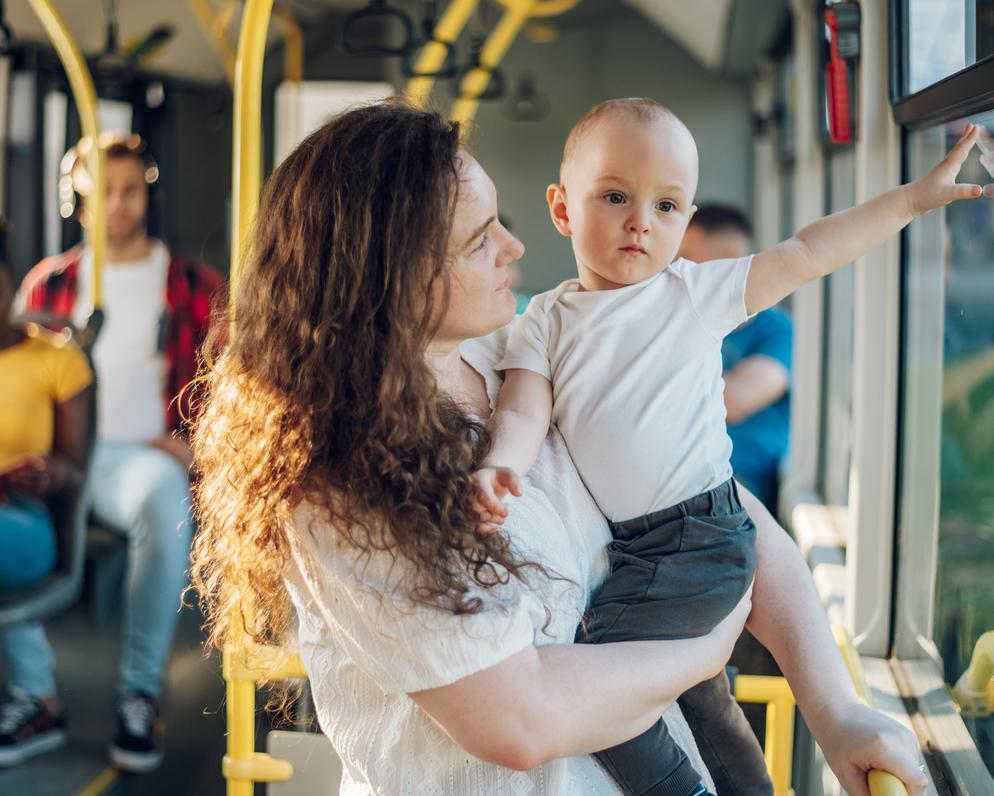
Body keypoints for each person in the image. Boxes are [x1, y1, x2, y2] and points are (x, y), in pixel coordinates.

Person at [190, 100, 929, 796]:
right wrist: (706, 652)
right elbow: (518, 718)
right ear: (392, 276)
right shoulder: (344, 481)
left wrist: (835, 711)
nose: (515, 245)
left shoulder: (512, 355)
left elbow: (725, 510)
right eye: (481, 240)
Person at [475, 98, 981, 795]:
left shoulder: (692, 294)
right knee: (698, 691)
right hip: (642, 545)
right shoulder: (546, 319)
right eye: (615, 197)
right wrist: (502, 466)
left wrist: (910, 202)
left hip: (702, 531)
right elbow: (524, 407)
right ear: (563, 210)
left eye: (666, 206)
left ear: (683, 224)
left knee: (595, 668)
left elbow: (808, 252)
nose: (639, 222)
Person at [15, 132, 223, 772]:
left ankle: (139, 692)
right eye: (103, 192)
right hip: (53, 451)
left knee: (162, 492)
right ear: (77, 201)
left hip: (135, 457)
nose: (119, 205)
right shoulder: (48, 287)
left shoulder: (191, 282)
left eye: (131, 190)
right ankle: (34, 693)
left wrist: (195, 441)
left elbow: (234, 381)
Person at [0, 219, 93, 765]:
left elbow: (76, 473)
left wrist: (55, 473)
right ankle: (37, 695)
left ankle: (39, 699)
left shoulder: (55, 359)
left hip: (28, 521)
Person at [679, 205, 791, 514]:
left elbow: (735, 400)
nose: (675, 273)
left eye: (686, 260)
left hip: (739, 490)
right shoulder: (682, 320)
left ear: (729, 260)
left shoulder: (775, 329)